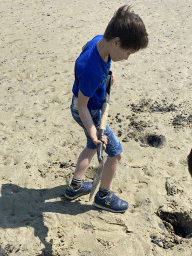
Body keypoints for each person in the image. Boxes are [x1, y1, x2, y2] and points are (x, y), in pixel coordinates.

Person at [65, 5, 148, 213]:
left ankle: (75, 186)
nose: (127, 57)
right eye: (127, 52)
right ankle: (103, 195)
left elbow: (86, 48)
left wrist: (106, 77)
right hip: (88, 111)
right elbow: (83, 106)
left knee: (91, 147)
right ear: (116, 42)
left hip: (83, 104)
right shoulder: (92, 72)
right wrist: (94, 132)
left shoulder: (98, 41)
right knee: (115, 153)